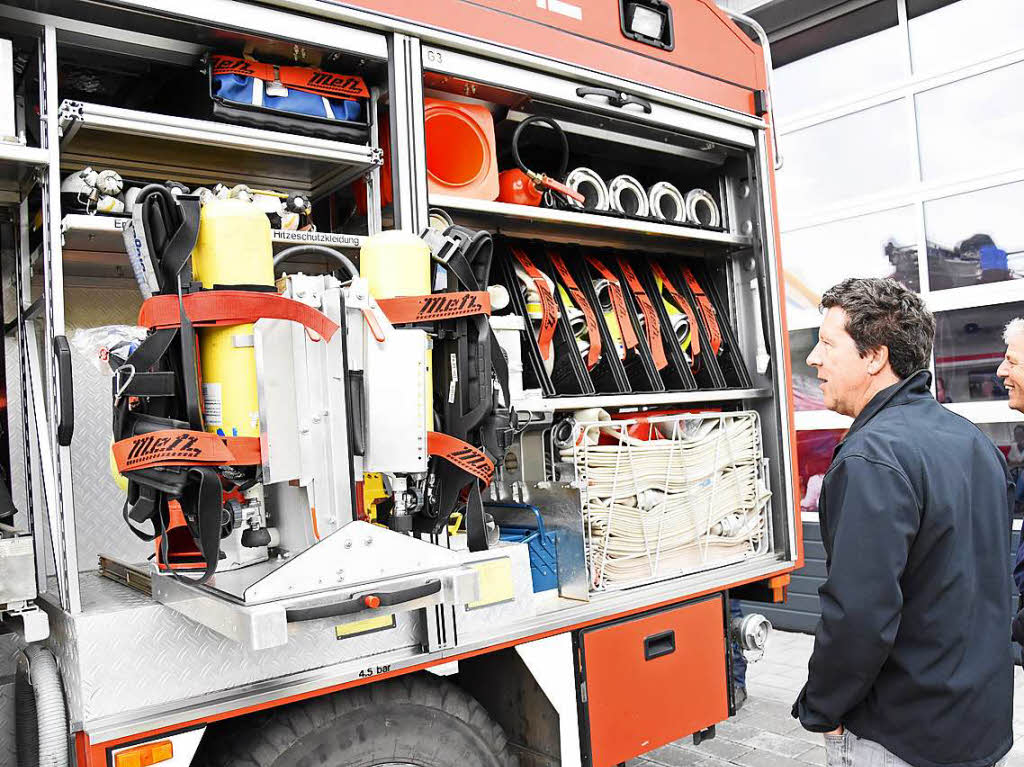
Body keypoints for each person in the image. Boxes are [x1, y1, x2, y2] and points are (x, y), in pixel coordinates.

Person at [792, 277, 1013, 767]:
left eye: (828, 343)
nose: (813, 359)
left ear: (875, 357)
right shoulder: (970, 439)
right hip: (978, 725)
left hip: (902, 736)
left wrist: (821, 708)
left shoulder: (872, 456)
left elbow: (859, 613)